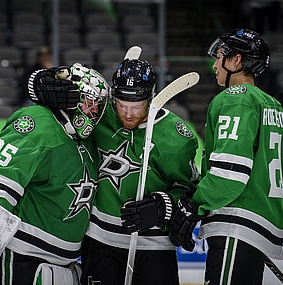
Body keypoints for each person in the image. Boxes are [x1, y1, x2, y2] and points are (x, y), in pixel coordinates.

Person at [28, 58, 201, 284]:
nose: (127, 114)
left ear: (150, 99)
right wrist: (42, 83)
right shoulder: (98, 115)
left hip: (153, 246)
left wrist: (162, 207)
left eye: (136, 106)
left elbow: (190, 190)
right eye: (121, 105)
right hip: (100, 243)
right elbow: (54, 95)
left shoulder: (175, 137)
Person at [0, 64, 109, 284]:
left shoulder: (86, 141)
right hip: (23, 260)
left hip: (63, 266)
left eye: (98, 106)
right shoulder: (39, 124)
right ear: (72, 98)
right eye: (89, 103)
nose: (94, 112)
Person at [169, 28, 283, 285]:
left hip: (237, 220)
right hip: (258, 220)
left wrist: (193, 204)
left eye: (220, 56)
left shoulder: (236, 99)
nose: (214, 64)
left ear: (237, 60)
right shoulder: (271, 104)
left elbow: (230, 173)